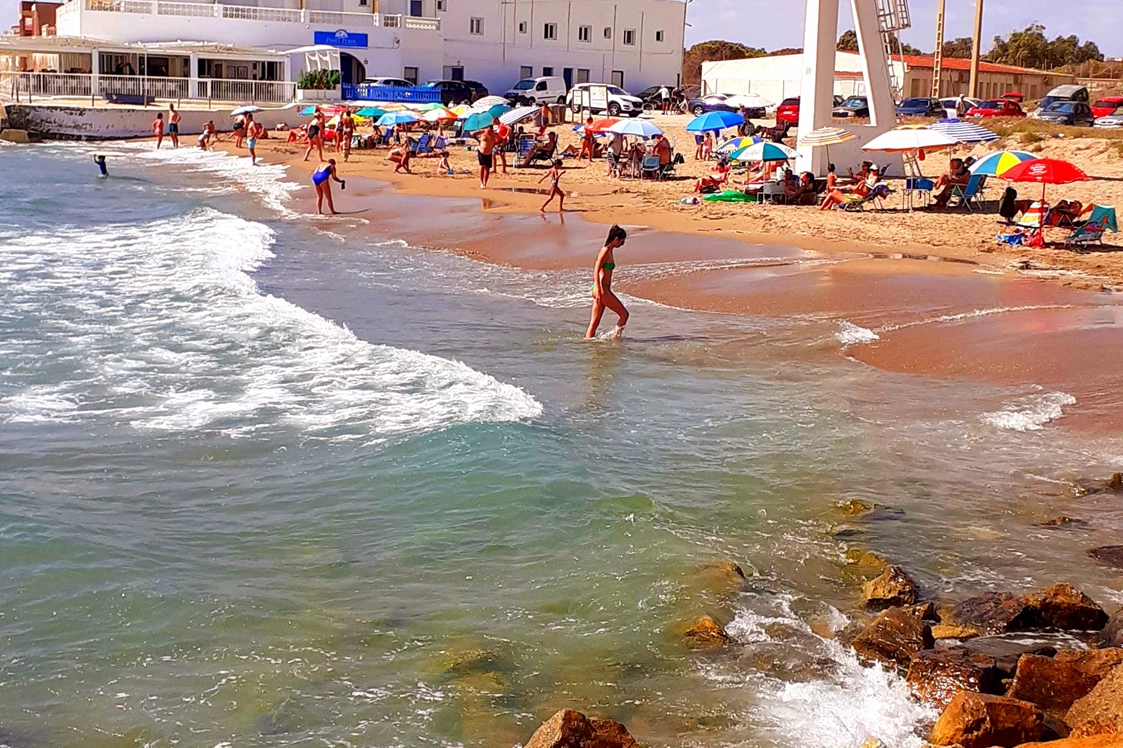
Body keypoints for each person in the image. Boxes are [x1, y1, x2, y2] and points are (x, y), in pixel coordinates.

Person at [586, 225, 629, 340]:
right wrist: (600, 290)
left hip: (601, 288)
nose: (622, 244)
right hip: (601, 288)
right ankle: (616, 341)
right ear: (616, 239)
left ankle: (588, 343)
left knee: (594, 323)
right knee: (624, 315)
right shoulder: (605, 250)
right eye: (622, 241)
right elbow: (596, 268)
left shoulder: (609, 250)